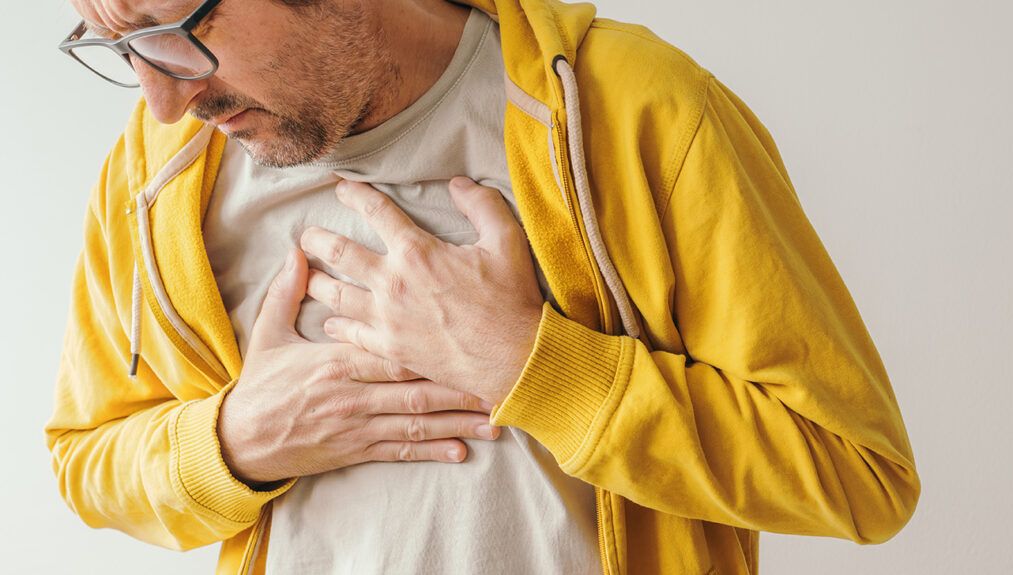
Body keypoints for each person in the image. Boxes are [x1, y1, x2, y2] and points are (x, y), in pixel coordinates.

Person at [45, 0, 921, 574]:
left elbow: (858, 473)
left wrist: (537, 368)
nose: (160, 97)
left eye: (171, 27)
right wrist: (232, 441)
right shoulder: (158, 175)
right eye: (119, 45)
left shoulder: (638, 109)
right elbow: (87, 457)